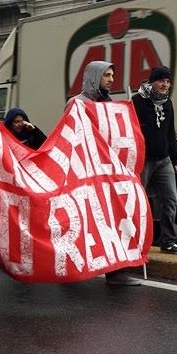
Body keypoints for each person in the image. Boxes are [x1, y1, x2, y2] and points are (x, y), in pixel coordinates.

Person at [70, 61, 142, 286]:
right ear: (94, 76)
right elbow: (71, 138)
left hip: (108, 174)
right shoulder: (76, 103)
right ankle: (70, 265)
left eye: (112, 75)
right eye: (106, 75)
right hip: (84, 175)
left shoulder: (109, 104)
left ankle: (116, 272)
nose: (111, 80)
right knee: (83, 223)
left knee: (114, 218)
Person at [131, 66, 177, 256]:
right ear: (152, 82)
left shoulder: (167, 102)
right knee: (137, 202)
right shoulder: (137, 101)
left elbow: (170, 132)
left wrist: (175, 158)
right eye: (161, 80)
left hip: (164, 160)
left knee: (170, 200)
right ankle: (132, 242)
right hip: (144, 160)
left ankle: (168, 242)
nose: (165, 85)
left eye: (168, 81)